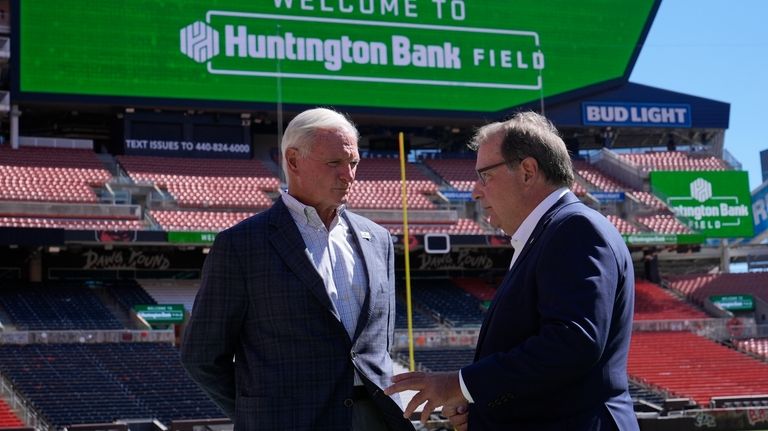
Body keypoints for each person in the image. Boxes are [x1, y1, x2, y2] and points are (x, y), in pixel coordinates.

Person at [385, 111, 638, 431]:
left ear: (528, 171)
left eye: (485, 176)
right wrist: (481, 406)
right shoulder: (550, 232)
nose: (475, 191)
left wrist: (460, 384)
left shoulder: (574, 227)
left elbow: (572, 344)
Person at [181, 107, 414, 431]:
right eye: (335, 163)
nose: (349, 176)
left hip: (376, 419)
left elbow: (377, 344)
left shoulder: (378, 239)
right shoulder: (241, 245)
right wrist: (261, 416)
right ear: (293, 161)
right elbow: (202, 357)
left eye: (354, 163)